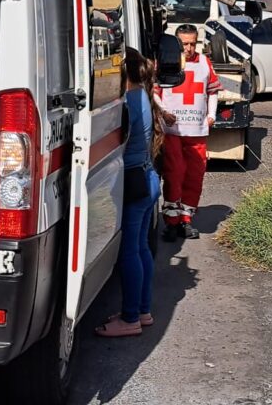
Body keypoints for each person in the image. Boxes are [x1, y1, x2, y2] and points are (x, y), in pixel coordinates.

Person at [96, 48, 161, 338]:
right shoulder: (142, 96)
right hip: (148, 179)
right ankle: (142, 310)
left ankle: (131, 317)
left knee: (129, 252)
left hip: (134, 183)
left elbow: (113, 144)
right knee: (142, 248)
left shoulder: (127, 104)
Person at [156, 23, 221, 241]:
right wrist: (163, 112)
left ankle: (186, 219)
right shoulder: (166, 62)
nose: (189, 48)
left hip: (197, 131)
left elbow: (213, 91)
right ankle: (171, 222)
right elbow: (154, 91)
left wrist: (211, 114)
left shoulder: (204, 63)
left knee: (195, 176)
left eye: (193, 43)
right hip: (173, 131)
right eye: (185, 44)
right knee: (174, 175)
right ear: (177, 43)